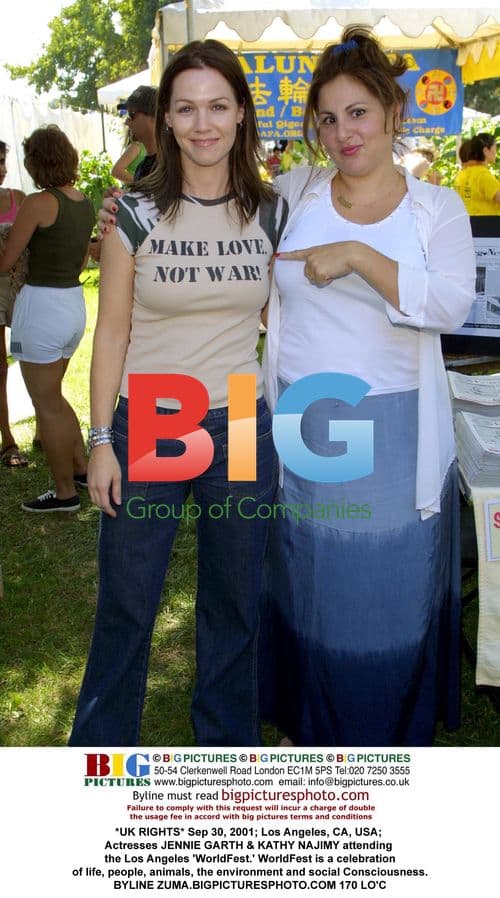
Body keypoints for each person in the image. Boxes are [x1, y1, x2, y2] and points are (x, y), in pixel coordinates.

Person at [260, 26, 476, 747]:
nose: (342, 132)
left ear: (391, 111)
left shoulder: (434, 208)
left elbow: (450, 304)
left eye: (357, 112)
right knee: (308, 577)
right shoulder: (297, 190)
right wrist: (129, 213)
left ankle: (378, 731)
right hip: (300, 413)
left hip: (392, 427)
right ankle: (308, 722)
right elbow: (219, 211)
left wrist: (357, 254)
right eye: (327, 117)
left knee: (381, 587)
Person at [69, 39, 286, 747]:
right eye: (186, 108)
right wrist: (100, 441)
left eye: (218, 106)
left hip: (243, 423)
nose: (203, 123)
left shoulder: (273, 211)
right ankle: (100, 753)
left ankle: (226, 752)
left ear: (241, 113)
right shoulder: (132, 212)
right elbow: (111, 334)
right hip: (153, 419)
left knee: (235, 600)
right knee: (129, 602)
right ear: (164, 119)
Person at [0, 125, 95, 511]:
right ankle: (81, 469)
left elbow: (6, 263)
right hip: (72, 304)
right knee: (54, 397)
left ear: (36, 163)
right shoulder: (82, 200)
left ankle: (63, 493)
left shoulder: (39, 203)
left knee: (46, 403)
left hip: (40, 307)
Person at [0, 140, 28, 467]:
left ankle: (43, 429)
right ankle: (7, 439)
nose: (3, 168)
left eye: (4, 161)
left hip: (21, 289)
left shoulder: (18, 199)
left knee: (34, 359)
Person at [117, 86, 158, 181]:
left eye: (131, 114)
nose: (126, 122)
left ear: (154, 115)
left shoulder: (170, 165)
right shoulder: (143, 165)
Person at [453, 132, 500, 214]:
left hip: (467, 223)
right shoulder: (483, 174)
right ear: (485, 150)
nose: (496, 152)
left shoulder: (461, 174)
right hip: (486, 224)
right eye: (495, 148)